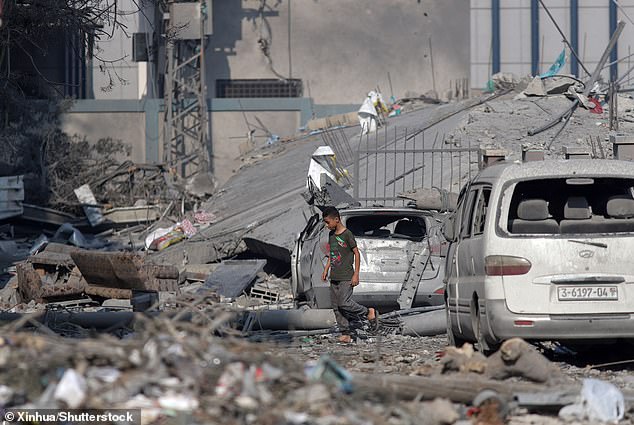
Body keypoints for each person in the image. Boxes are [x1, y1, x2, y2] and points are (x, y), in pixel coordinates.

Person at [321, 206, 376, 343]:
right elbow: (331, 255)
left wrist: (356, 274)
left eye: (328, 222)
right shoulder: (331, 235)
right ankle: (345, 333)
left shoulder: (347, 234)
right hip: (334, 277)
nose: (326, 225)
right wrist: (326, 269)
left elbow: (357, 253)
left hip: (346, 276)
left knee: (344, 303)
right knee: (336, 307)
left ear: (337, 219)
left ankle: (368, 312)